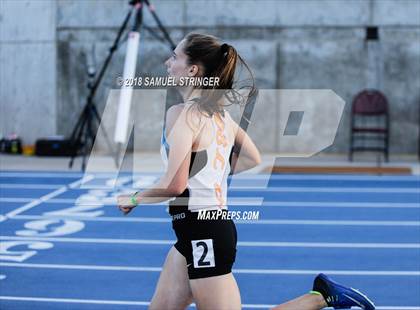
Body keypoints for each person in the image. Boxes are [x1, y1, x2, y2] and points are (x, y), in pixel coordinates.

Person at [117, 33, 375, 310]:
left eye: (175, 57)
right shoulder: (220, 116)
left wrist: (134, 198)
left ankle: (321, 297)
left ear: (192, 69)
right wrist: (208, 176)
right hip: (193, 231)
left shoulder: (181, 114)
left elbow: (175, 185)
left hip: (204, 232)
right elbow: (253, 157)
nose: (168, 63)